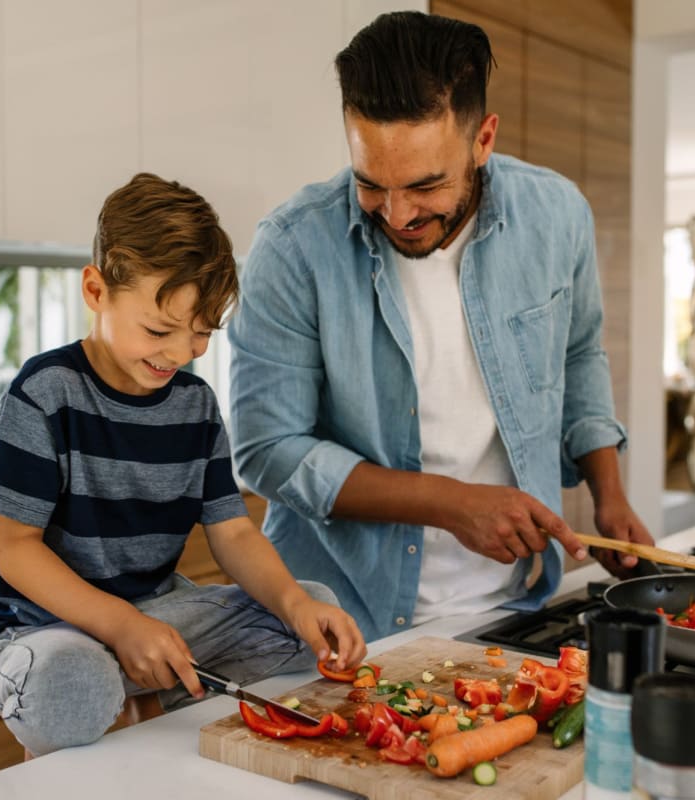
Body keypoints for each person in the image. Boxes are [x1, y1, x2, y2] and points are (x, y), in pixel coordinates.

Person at [228, 11, 653, 643]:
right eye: (371, 183)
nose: (397, 215)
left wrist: (608, 489)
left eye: (426, 185)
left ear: (483, 140)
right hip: (338, 619)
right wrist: (451, 503)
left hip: (515, 607)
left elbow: (578, 353)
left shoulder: (558, 215)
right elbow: (267, 452)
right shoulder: (292, 248)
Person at [0, 173, 365, 757]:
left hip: (154, 613)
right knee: (73, 681)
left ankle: (137, 693)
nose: (180, 354)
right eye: (158, 329)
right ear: (96, 291)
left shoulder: (195, 404)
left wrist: (296, 604)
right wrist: (120, 628)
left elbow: (231, 531)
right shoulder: (45, 391)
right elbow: (15, 548)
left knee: (305, 614)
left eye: (201, 333)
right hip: (41, 628)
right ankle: (121, 693)